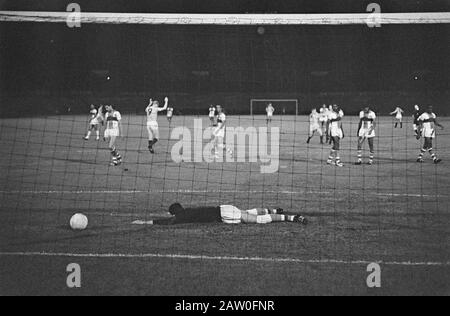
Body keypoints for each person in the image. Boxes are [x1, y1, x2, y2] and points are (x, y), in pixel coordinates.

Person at [133, 203, 308, 225]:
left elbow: (165, 222)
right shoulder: (189, 210)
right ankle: (275, 210)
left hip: (224, 215)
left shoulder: (181, 217)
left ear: (174, 213)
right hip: (223, 207)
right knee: (246, 212)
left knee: (257, 220)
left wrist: (145, 222)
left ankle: (292, 218)